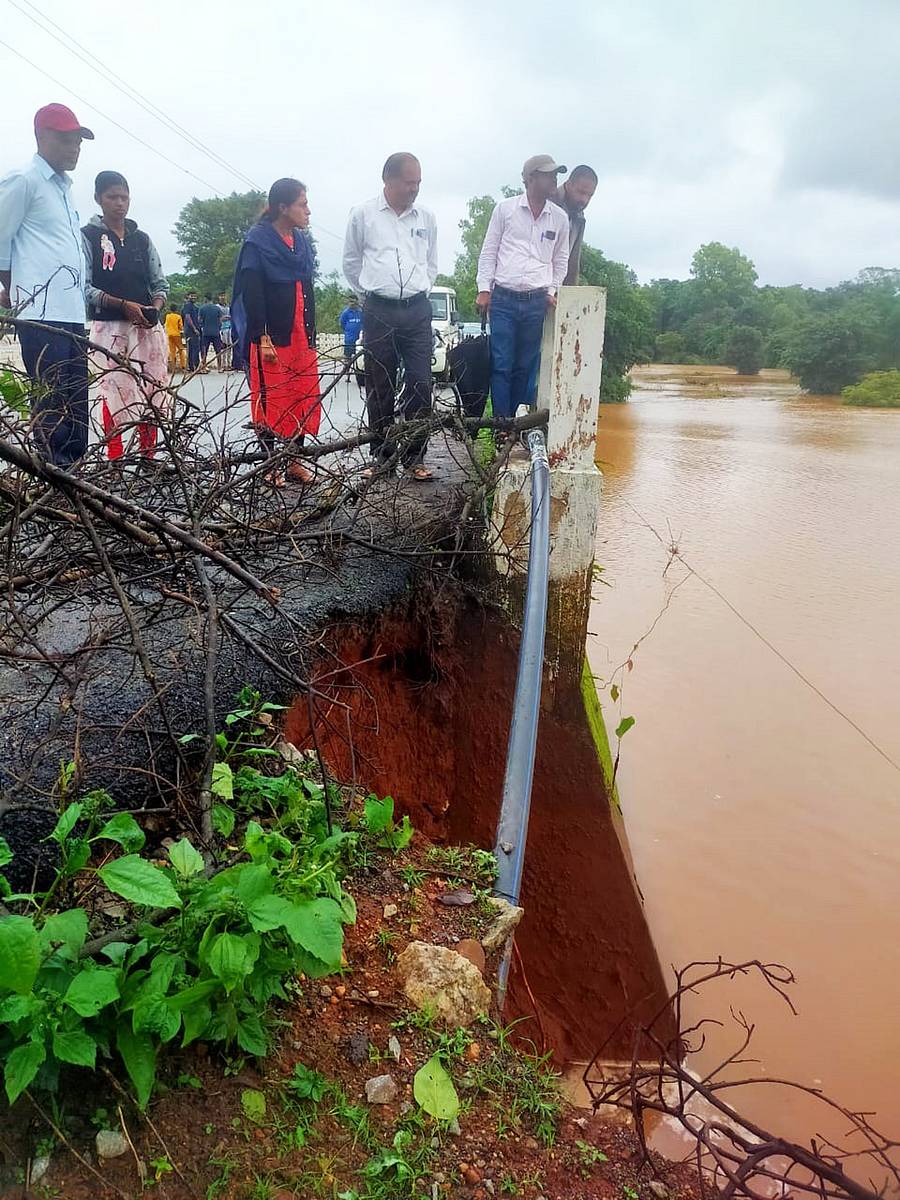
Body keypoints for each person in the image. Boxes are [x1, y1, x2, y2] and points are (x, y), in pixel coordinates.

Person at [0, 103, 94, 467]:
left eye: (78, 141)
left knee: (76, 400)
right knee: (52, 401)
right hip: (40, 312)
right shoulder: (24, 181)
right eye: (66, 140)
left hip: (71, 312)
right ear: (42, 137)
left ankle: (76, 476)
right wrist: (15, 289)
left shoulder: (64, 188)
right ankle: (55, 476)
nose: (75, 148)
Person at [343, 152, 437, 480]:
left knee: (421, 383)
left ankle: (415, 457)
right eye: (409, 182)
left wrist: (419, 290)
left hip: (417, 311)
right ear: (389, 180)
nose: (415, 189)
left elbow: (431, 263)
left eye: (418, 183)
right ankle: (382, 457)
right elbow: (351, 262)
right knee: (379, 383)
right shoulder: (363, 215)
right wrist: (370, 296)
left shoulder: (426, 217)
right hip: (379, 310)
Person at [231, 177, 320, 486]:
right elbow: (252, 293)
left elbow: (306, 287)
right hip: (271, 336)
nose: (308, 211)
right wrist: (262, 337)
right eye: (302, 204)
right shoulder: (258, 242)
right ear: (283, 207)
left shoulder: (301, 243)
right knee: (270, 399)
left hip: (300, 333)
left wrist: (311, 332)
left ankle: (294, 461)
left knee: (300, 396)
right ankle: (269, 464)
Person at [82, 170, 169, 461]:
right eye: (112, 197)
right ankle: (115, 459)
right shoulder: (88, 236)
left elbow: (160, 284)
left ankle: (149, 457)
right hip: (110, 328)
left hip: (146, 328)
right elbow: (85, 287)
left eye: (124, 197)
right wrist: (122, 305)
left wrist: (154, 308)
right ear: (98, 199)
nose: (120, 203)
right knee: (114, 392)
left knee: (152, 391)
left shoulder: (142, 240)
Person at [476, 154, 569, 424]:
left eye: (555, 175)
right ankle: (502, 424)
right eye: (548, 175)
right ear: (530, 178)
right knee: (501, 363)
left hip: (536, 300)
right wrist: (484, 289)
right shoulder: (505, 210)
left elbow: (560, 259)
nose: (554, 180)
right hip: (504, 298)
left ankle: (514, 425)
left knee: (525, 365)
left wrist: (552, 291)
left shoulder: (559, 218)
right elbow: (489, 251)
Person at [556, 164, 597, 286]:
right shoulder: (547, 203)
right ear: (568, 185)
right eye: (581, 192)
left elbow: (573, 265)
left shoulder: (579, 218)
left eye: (589, 195)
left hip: (558, 289)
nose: (584, 200)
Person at [199, 293, 223, 371]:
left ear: (205, 298)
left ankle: (204, 366)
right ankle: (219, 367)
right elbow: (220, 321)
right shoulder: (217, 308)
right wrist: (218, 328)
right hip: (216, 332)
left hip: (206, 332)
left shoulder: (202, 308)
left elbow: (199, 320)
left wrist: (202, 326)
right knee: (218, 350)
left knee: (204, 350)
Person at [339, 294, 363, 365]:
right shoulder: (345, 313)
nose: (352, 303)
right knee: (347, 359)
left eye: (353, 301)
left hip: (360, 340)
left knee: (360, 360)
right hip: (349, 340)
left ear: (357, 302)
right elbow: (342, 324)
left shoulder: (361, 313)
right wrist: (348, 331)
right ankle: (346, 368)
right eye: (350, 302)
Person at [181, 290, 201, 371]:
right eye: (191, 296)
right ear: (188, 296)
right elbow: (187, 317)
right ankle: (194, 366)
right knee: (193, 349)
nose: (193, 297)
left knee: (193, 348)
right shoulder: (188, 306)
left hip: (194, 330)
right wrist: (194, 328)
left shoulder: (195, 306)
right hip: (190, 330)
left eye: (194, 296)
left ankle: (192, 366)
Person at [164, 303, 186, 371]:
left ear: (170, 309)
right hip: (176, 334)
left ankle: (173, 367)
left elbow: (166, 325)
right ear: (176, 309)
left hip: (169, 334)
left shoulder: (167, 316)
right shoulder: (178, 317)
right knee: (181, 349)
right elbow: (180, 327)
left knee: (172, 351)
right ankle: (183, 366)